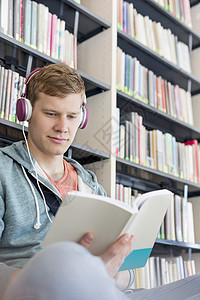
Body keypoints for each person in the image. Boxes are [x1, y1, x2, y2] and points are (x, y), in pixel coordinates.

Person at [1, 64, 200, 300]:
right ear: (26, 112)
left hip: (101, 291)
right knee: (57, 260)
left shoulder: (89, 183)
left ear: (82, 118)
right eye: (51, 114)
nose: (63, 128)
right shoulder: (4, 170)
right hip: (41, 290)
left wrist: (108, 272)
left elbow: (126, 274)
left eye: (72, 116)